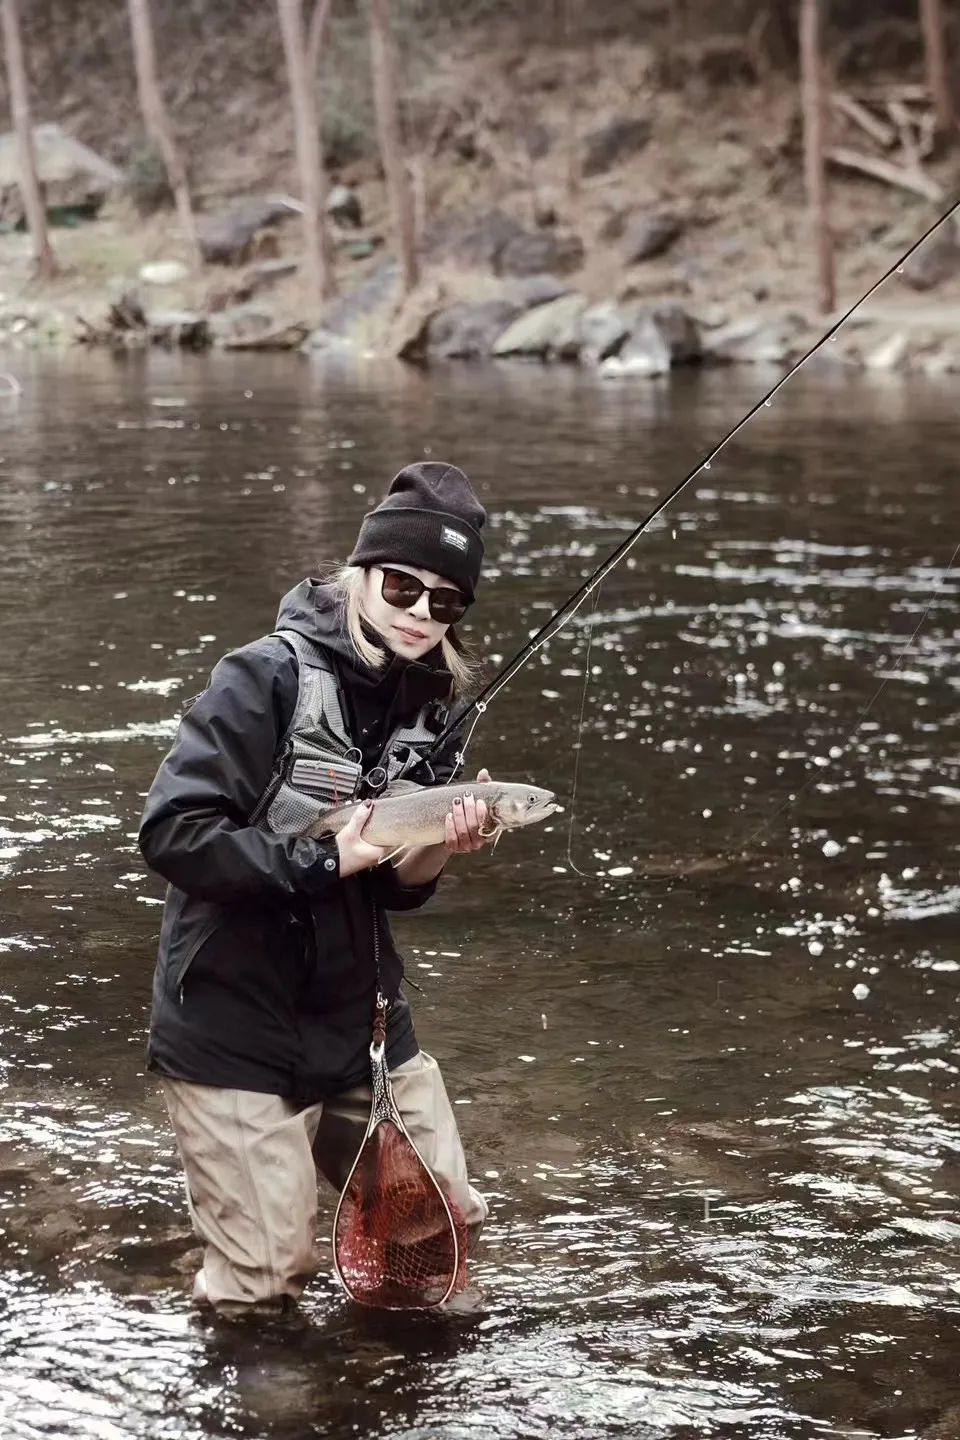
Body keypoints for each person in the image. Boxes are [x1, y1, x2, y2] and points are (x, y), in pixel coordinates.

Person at [139, 461, 493, 1318]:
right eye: (403, 586)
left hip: (362, 1019)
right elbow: (173, 834)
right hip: (232, 1020)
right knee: (264, 1280)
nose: (420, 613)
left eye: (446, 602)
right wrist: (328, 860)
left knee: (436, 1240)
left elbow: (399, 891)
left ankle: (395, 1374)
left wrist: (437, 848)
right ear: (361, 572)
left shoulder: (438, 704)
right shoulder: (262, 678)